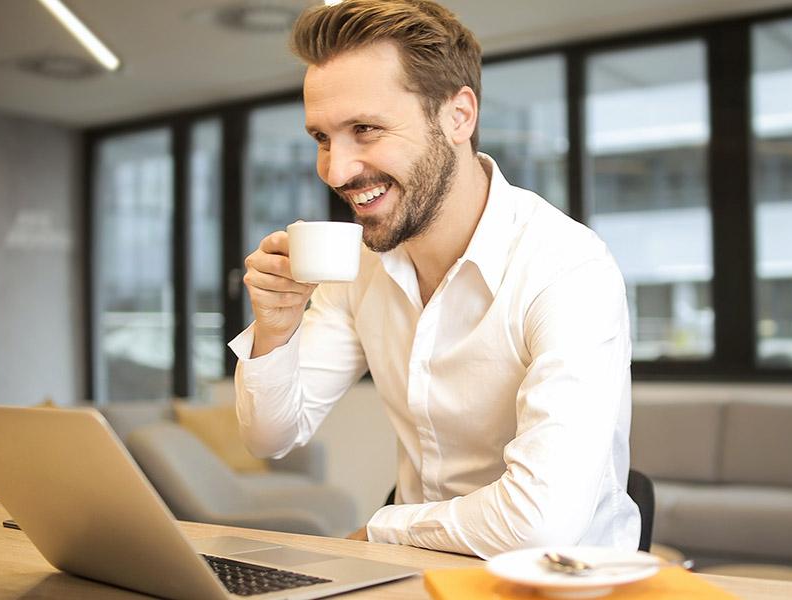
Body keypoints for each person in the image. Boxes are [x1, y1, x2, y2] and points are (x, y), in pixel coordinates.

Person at [231, 0, 639, 558]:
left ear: (458, 116)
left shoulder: (567, 268)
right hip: (417, 574)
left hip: (556, 581)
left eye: (365, 129)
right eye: (322, 138)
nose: (336, 170)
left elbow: (540, 523)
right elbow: (271, 436)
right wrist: (275, 329)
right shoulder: (364, 266)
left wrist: (381, 528)